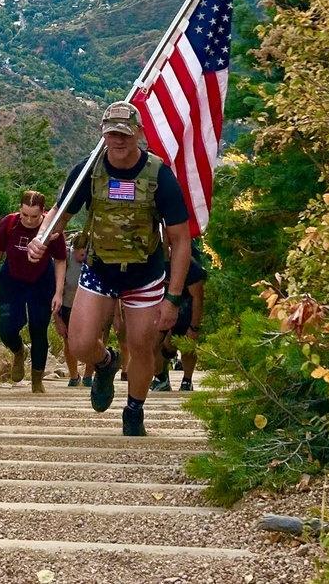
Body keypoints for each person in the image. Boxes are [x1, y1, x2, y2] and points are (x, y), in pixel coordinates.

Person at [28, 100, 191, 437]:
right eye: (112, 133)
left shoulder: (159, 175)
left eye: (125, 133)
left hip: (144, 273)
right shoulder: (87, 171)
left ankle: (134, 410)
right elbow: (61, 214)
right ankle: (105, 362)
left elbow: (180, 238)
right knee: (80, 343)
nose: (118, 140)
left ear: (139, 134)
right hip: (100, 269)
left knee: (142, 344)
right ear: (102, 134)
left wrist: (172, 298)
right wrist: (41, 237)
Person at [0, 190, 66, 394]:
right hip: (12, 279)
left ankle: (37, 379)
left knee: (38, 328)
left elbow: (60, 260)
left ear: (43, 213)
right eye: (25, 215)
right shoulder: (9, 223)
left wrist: (58, 292)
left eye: (34, 216)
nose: (29, 221)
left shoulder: (53, 229)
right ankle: (18, 351)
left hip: (41, 281)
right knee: (7, 328)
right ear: (20, 210)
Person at [152, 243, 206, 392]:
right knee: (154, 345)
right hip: (160, 309)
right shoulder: (152, 263)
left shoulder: (190, 266)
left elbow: (198, 297)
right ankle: (161, 378)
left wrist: (194, 326)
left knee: (187, 345)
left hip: (185, 309)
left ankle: (187, 380)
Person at [55, 235, 94, 388]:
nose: (82, 257)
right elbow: (55, 289)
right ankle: (73, 375)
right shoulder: (65, 259)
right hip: (67, 305)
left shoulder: (94, 259)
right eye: (80, 254)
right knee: (68, 340)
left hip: (89, 305)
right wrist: (57, 318)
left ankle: (89, 376)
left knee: (91, 340)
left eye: (85, 254)